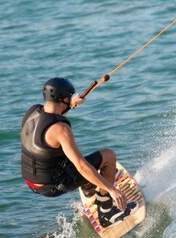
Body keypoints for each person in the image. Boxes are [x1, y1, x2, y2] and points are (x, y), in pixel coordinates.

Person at [21, 77, 137, 227]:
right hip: (52, 185)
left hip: (31, 180)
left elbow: (49, 121)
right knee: (108, 156)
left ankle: (89, 187)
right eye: (69, 97)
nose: (70, 99)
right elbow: (81, 166)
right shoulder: (62, 130)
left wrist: (71, 105)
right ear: (63, 99)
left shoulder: (32, 111)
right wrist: (112, 189)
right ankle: (107, 213)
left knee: (66, 153)